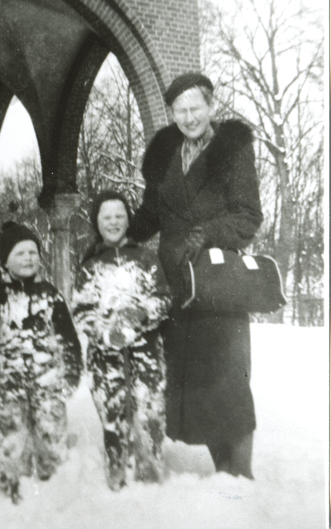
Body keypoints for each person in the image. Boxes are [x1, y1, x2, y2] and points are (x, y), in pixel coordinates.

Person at [128, 73, 263, 479]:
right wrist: (119, 237)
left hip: (218, 283)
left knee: (229, 382)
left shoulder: (232, 151)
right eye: (180, 110)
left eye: (195, 108)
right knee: (195, 380)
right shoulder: (166, 153)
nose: (188, 117)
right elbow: (152, 212)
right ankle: (221, 470)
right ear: (171, 113)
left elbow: (248, 216)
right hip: (177, 284)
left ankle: (240, 474)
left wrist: (206, 234)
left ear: (210, 106)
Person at [0, 222, 82, 502]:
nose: (29, 258)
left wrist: (69, 378)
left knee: (51, 437)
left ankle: (54, 493)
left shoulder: (51, 296)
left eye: (33, 252)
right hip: (10, 386)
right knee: (12, 441)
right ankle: (11, 491)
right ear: (5, 261)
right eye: (20, 253)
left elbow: (68, 341)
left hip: (47, 385)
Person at [72, 191, 172, 491]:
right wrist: (105, 333)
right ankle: (117, 477)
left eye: (119, 216)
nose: (113, 222)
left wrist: (141, 313)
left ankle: (150, 477)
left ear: (128, 220)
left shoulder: (146, 259)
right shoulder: (90, 265)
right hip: (105, 359)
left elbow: (164, 299)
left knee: (149, 412)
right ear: (97, 223)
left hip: (145, 354)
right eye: (106, 217)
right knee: (113, 416)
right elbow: (81, 310)